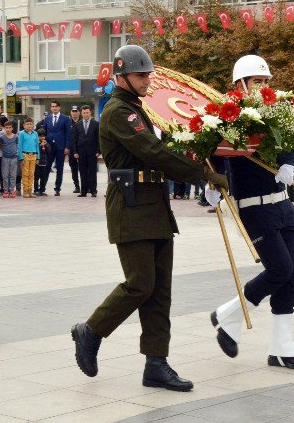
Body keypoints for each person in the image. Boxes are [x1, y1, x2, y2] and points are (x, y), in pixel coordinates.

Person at [71, 45, 228, 392]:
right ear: (122, 76)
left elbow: (163, 149)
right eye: (141, 75)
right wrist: (202, 174)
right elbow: (153, 152)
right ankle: (91, 330)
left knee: (160, 292)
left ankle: (156, 363)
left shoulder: (139, 111)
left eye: (148, 74)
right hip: (130, 207)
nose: (148, 81)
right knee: (140, 283)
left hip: (153, 206)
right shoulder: (117, 111)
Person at [206, 54, 294, 373]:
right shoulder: (227, 116)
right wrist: (210, 181)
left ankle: (281, 345)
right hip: (254, 207)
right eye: (257, 81)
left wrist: (289, 160)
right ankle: (229, 314)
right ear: (239, 85)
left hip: (282, 204)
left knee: (291, 274)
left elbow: (293, 136)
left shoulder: (276, 110)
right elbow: (211, 151)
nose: (264, 86)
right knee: (279, 268)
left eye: (266, 81)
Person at [40, 101, 71, 196]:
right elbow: (43, 132)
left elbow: (68, 134)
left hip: (61, 147)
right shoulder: (48, 118)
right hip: (49, 147)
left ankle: (57, 188)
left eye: (56, 106)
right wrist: (43, 142)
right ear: (50, 108)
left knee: (60, 168)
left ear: (59, 107)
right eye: (52, 106)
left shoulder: (65, 118)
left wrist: (67, 147)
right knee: (46, 168)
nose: (54, 108)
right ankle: (42, 188)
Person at [71, 105, 100, 197]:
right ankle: (83, 191)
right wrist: (75, 152)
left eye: (87, 112)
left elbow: (99, 138)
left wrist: (99, 151)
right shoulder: (77, 124)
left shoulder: (96, 124)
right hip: (81, 152)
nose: (85, 114)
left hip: (92, 152)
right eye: (84, 113)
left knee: (92, 171)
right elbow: (74, 139)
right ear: (81, 113)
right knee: (82, 172)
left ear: (90, 112)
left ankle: (93, 190)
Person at [18, 117, 40, 198]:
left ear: (33, 125)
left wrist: (38, 157)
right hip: (25, 155)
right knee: (25, 174)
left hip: (34, 155)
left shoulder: (35, 133)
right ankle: (25, 191)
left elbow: (37, 145)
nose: (29, 126)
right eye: (27, 124)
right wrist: (21, 158)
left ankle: (30, 191)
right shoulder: (22, 133)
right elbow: (19, 146)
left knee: (31, 174)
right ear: (24, 125)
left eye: (31, 124)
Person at [0, 121, 19, 198]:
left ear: (12, 128)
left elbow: (17, 145)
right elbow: (1, 146)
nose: (8, 129)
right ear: (4, 128)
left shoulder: (16, 137)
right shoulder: (2, 137)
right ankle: (6, 190)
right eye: (6, 128)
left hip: (14, 157)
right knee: (5, 175)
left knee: (13, 175)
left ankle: (11, 190)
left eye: (9, 127)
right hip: (5, 158)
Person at [69, 105, 82, 193]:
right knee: (73, 169)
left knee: (84, 169)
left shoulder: (82, 122)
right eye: (73, 111)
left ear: (79, 112)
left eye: (76, 111)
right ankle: (77, 186)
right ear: (71, 112)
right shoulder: (68, 122)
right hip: (72, 150)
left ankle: (86, 186)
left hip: (82, 149)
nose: (75, 113)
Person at [34, 129, 50, 197]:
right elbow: (36, 150)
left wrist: (46, 145)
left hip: (44, 163)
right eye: (40, 136)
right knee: (36, 177)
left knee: (43, 177)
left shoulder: (46, 143)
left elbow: (49, 151)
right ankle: (36, 190)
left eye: (43, 136)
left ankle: (42, 190)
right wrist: (40, 145)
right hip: (37, 163)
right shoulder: (36, 143)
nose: (42, 137)